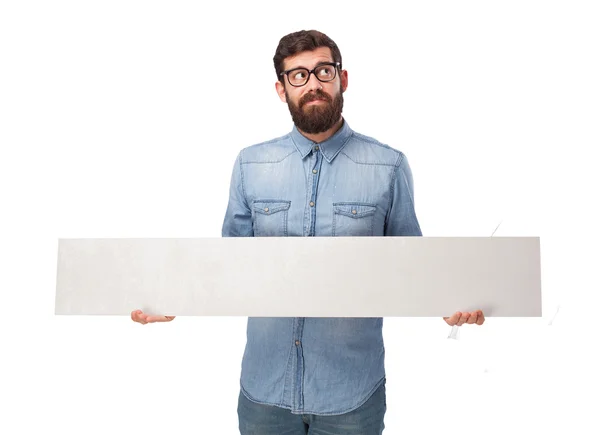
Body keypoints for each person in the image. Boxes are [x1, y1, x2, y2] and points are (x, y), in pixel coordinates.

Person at [131, 29, 485, 434]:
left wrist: (454, 303)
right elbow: (227, 269)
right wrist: (171, 299)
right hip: (264, 394)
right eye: (298, 75)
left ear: (343, 78)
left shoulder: (388, 165)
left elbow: (413, 268)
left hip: (352, 397)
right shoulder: (251, 165)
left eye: (323, 71)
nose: (313, 83)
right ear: (281, 89)